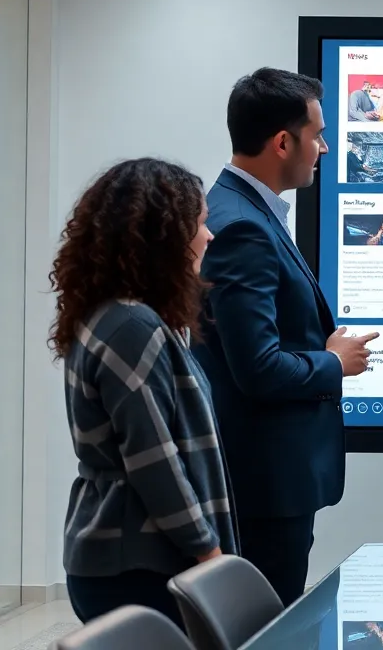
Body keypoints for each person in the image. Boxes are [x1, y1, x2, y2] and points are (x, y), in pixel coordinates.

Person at [194, 67, 378, 606]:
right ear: (282, 142)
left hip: (270, 478)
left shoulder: (243, 211)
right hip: (265, 485)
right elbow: (257, 366)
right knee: (264, 629)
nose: (322, 149)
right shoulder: (243, 227)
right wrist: (332, 362)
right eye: (318, 136)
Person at [51, 158, 238, 627]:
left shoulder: (116, 315)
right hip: (139, 563)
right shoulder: (133, 325)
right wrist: (210, 554)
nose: (208, 236)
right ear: (163, 238)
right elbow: (156, 463)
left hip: (126, 557)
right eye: (199, 224)